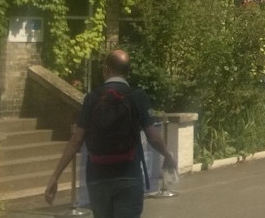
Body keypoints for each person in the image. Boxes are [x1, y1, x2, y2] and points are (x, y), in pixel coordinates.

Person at [45, 49, 177, 217]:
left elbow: (76, 140)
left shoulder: (92, 98)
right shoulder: (137, 96)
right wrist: (168, 155)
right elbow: (153, 137)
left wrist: (55, 176)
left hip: (97, 177)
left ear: (106, 69)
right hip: (129, 175)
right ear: (128, 71)